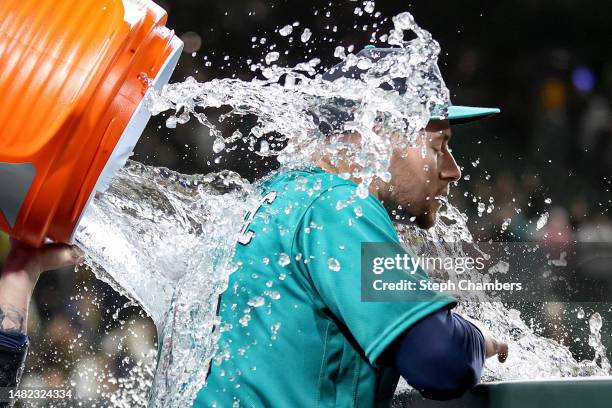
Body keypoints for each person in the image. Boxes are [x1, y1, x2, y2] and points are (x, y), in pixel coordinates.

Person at [0, 47, 508, 407]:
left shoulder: (259, 204)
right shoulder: (337, 209)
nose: (452, 170)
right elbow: (439, 358)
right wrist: (478, 341)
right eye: (438, 146)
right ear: (372, 132)